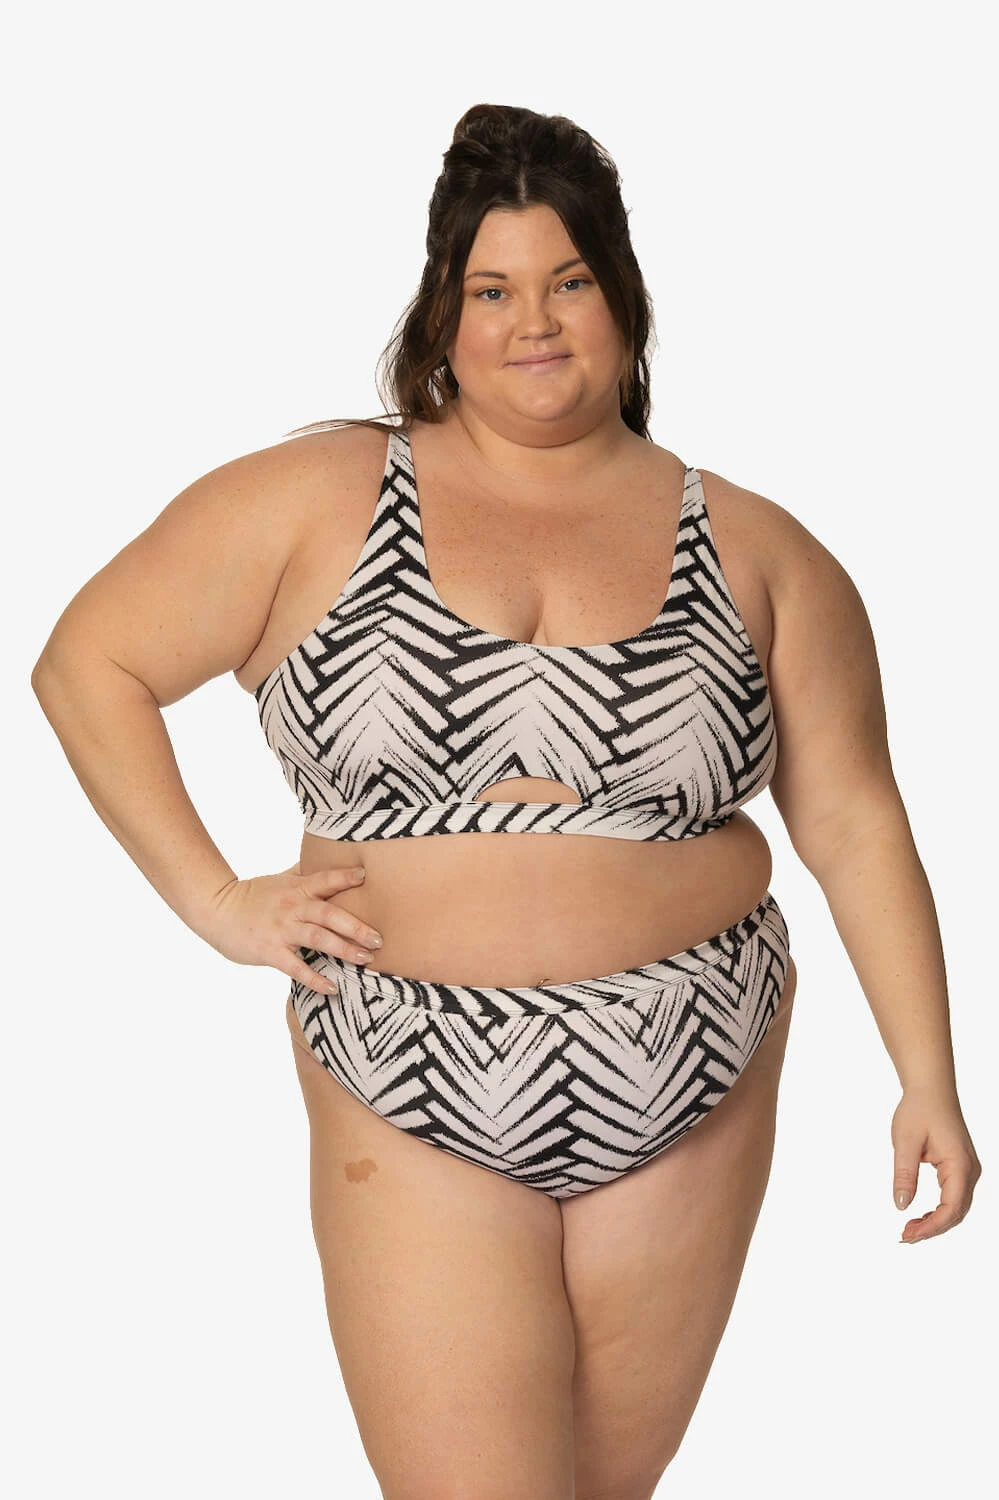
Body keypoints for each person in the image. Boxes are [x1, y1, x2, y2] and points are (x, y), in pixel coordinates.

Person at [31, 102, 981, 1500]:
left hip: (692, 1064)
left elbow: (851, 818)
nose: (532, 322)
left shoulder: (763, 550)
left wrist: (929, 1078)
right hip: (409, 1071)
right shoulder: (320, 497)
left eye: (568, 282)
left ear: (624, 301)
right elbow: (87, 665)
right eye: (492, 290)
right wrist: (218, 901)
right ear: (442, 312)